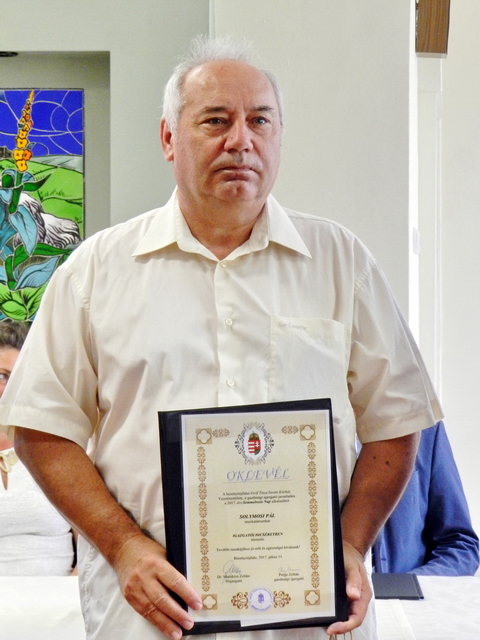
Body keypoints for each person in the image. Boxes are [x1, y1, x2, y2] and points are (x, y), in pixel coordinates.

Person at [0, 36, 442, 640]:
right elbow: (39, 428)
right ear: (168, 138)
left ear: (279, 137)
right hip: (152, 620)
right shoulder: (95, 273)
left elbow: (396, 420)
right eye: (215, 120)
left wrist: (350, 543)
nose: (241, 140)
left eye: (260, 121)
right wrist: (123, 547)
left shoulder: (342, 263)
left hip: (310, 621)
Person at [0, 320, 75, 575]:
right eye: (2, 376)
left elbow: (94, 544)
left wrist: (72, 587)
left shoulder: (62, 448)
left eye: (19, 378)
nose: (9, 389)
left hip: (60, 595)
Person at [373, 421, 479, 576]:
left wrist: (409, 584)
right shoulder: (332, 430)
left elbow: (460, 545)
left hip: (412, 587)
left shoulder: (425, 426)